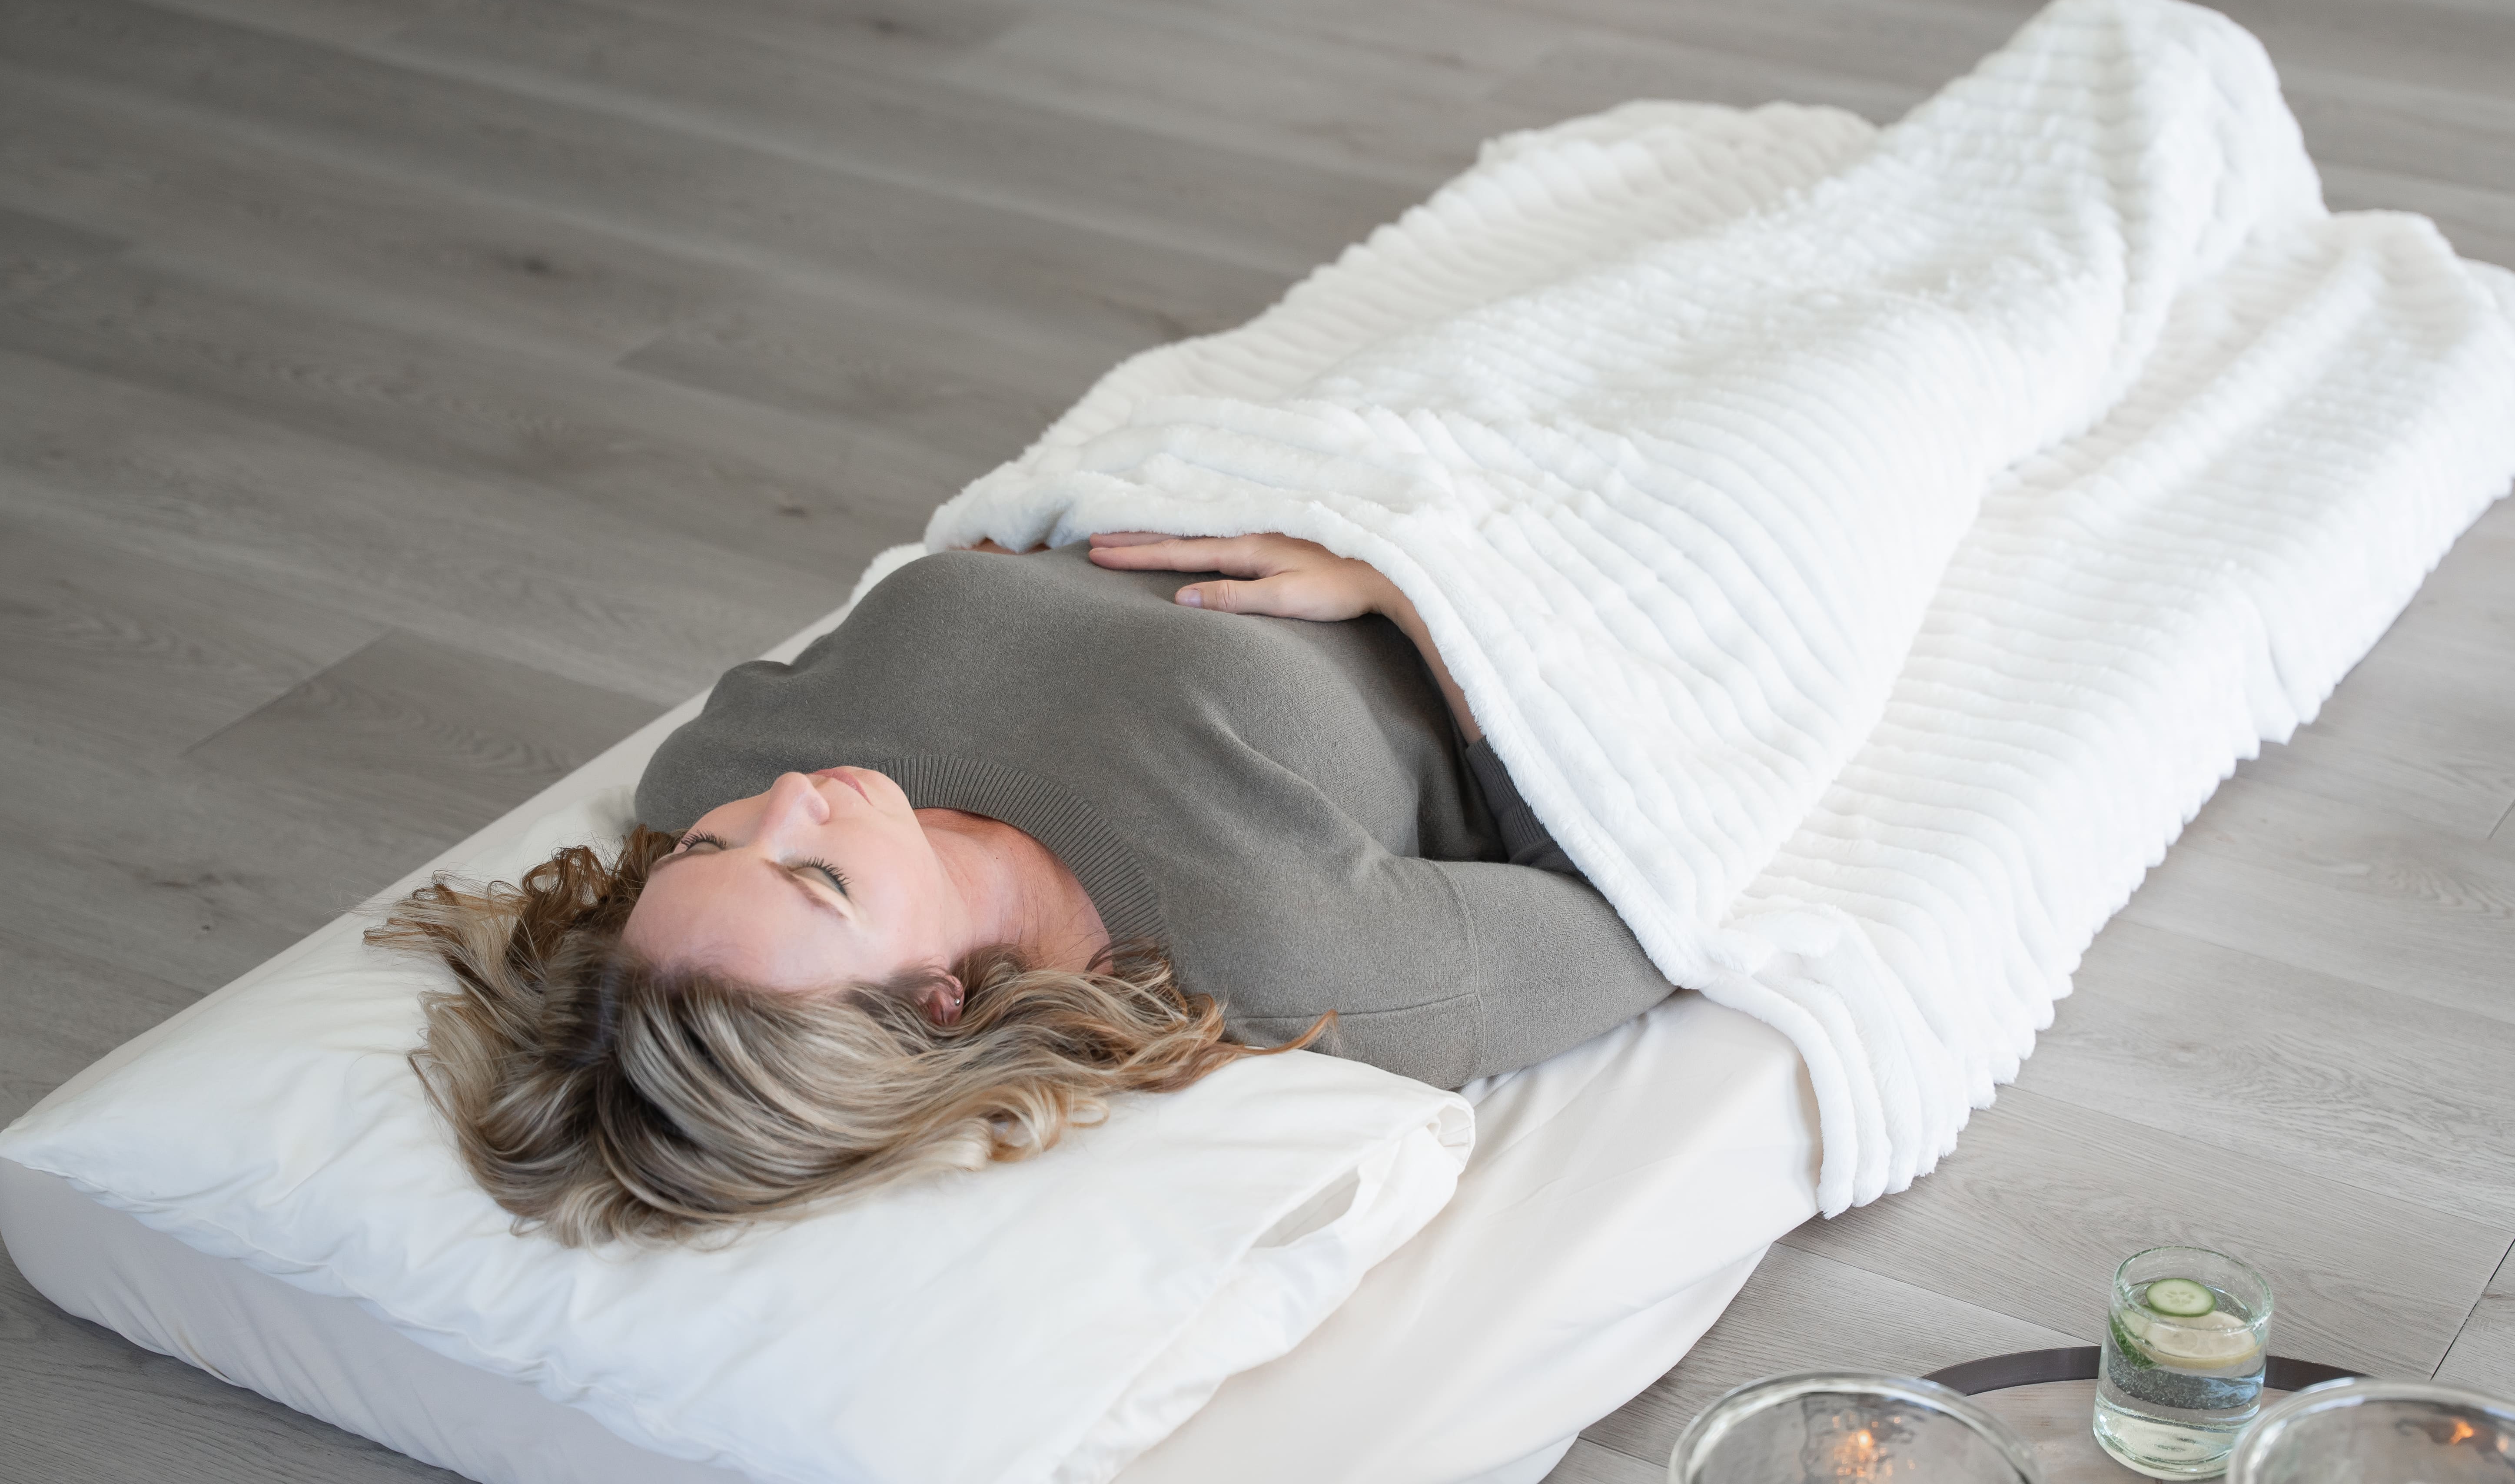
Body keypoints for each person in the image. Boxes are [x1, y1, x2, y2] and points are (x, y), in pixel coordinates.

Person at [375, 532, 1671, 1245]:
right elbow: (1635, 903)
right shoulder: (1283, 954)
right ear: (937, 1002)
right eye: (819, 878)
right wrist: (1413, 593)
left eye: (702, 855)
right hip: (1546, 546)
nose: (790, 799)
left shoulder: (710, 772)